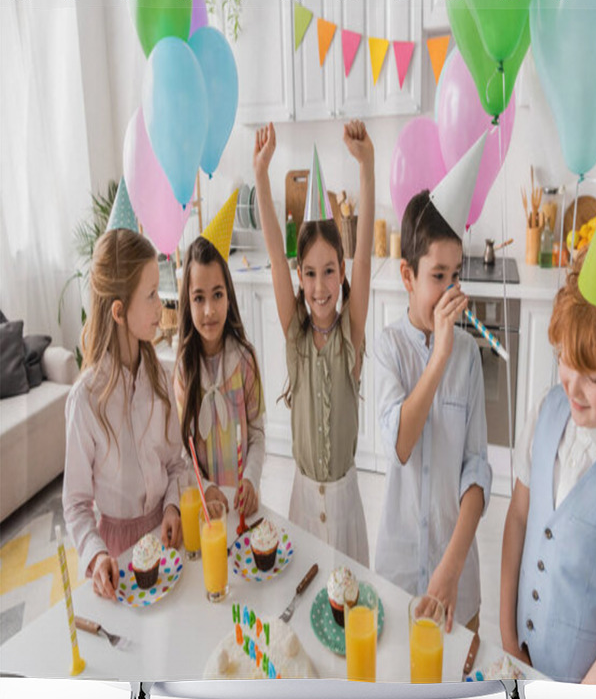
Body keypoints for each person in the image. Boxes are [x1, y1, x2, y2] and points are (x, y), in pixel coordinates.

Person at [500, 177, 596, 683]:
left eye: (595, 378)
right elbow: (518, 518)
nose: (573, 389)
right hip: (518, 664)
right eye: (565, 361)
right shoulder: (547, 408)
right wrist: (505, 636)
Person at [373, 151, 492, 634]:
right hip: (397, 570)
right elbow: (398, 445)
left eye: (456, 274)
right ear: (408, 276)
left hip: (457, 577)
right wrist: (438, 354)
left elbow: (477, 471)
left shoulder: (468, 356)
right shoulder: (388, 348)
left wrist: (451, 567)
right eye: (437, 276)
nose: (449, 290)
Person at [252, 120, 375, 566]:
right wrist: (262, 175)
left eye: (329, 271)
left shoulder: (350, 336)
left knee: (348, 600)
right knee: (303, 598)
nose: (320, 286)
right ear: (299, 276)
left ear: (341, 272)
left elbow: (364, 257)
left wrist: (368, 169)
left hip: (345, 504)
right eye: (309, 272)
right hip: (301, 501)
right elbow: (273, 251)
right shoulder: (296, 336)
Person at [63, 228, 185, 599]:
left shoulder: (161, 380)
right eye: (150, 296)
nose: (160, 306)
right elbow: (76, 503)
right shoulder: (86, 401)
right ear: (118, 311)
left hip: (167, 546)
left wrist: (173, 508)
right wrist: (97, 554)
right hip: (117, 557)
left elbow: (176, 465)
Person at [174, 232, 265, 518]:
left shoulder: (245, 361)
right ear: (188, 303)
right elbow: (183, 450)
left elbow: (258, 434)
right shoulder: (183, 371)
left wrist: (250, 478)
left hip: (243, 506)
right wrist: (207, 487)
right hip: (206, 507)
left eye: (217, 295)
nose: (209, 310)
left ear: (229, 296)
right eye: (199, 298)